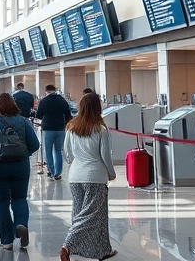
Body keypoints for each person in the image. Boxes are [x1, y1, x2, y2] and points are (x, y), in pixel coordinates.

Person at [0, 93, 40, 250]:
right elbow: (35, 144)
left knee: (1, 202)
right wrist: (25, 154)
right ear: (14, 104)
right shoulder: (24, 121)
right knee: (19, 198)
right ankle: (20, 224)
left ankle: (7, 241)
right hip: (21, 166)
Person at [60, 92, 117, 261]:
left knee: (81, 212)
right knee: (91, 215)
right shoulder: (100, 129)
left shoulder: (71, 127)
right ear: (97, 107)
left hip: (75, 176)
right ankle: (68, 245)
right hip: (95, 177)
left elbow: (67, 153)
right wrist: (111, 173)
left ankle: (102, 250)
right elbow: (105, 155)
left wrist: (75, 163)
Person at [36, 84, 73, 181]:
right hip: (60, 128)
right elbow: (68, 115)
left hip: (48, 128)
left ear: (46, 91)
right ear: (55, 90)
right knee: (58, 151)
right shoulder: (62, 100)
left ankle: (51, 171)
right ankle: (58, 173)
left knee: (48, 150)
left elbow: (39, 115)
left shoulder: (44, 101)